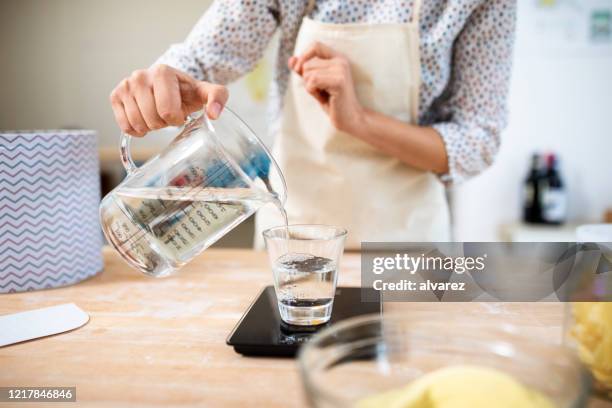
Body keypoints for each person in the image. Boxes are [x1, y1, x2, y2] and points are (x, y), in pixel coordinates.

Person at [109, 0, 516, 248]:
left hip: (408, 239)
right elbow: (200, 59)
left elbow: (476, 141)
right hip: (296, 232)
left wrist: (359, 121)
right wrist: (166, 82)